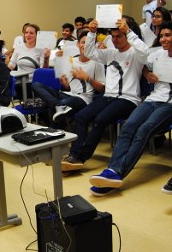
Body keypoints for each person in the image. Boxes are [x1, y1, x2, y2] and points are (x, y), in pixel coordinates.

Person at [89, 21, 172, 196]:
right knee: (128, 127)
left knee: (144, 130)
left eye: (167, 35)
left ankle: (117, 173)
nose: (163, 39)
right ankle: (112, 170)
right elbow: (144, 64)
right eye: (161, 36)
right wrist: (147, 74)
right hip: (152, 100)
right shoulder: (158, 54)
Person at [62, 18, 148, 172]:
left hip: (127, 99)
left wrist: (128, 31)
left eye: (119, 36)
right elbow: (88, 51)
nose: (115, 40)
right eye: (113, 37)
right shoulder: (110, 53)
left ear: (127, 36)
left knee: (100, 120)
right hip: (109, 96)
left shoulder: (135, 54)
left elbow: (145, 51)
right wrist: (92, 33)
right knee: (80, 117)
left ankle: (81, 157)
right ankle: (73, 155)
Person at [32, 30, 105, 128]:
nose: (86, 45)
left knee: (52, 106)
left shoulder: (97, 63)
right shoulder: (71, 61)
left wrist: (87, 78)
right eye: (83, 42)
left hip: (83, 98)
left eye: (89, 43)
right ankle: (58, 106)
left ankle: (56, 133)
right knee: (36, 85)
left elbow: (101, 89)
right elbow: (67, 87)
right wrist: (65, 83)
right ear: (78, 44)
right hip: (67, 94)